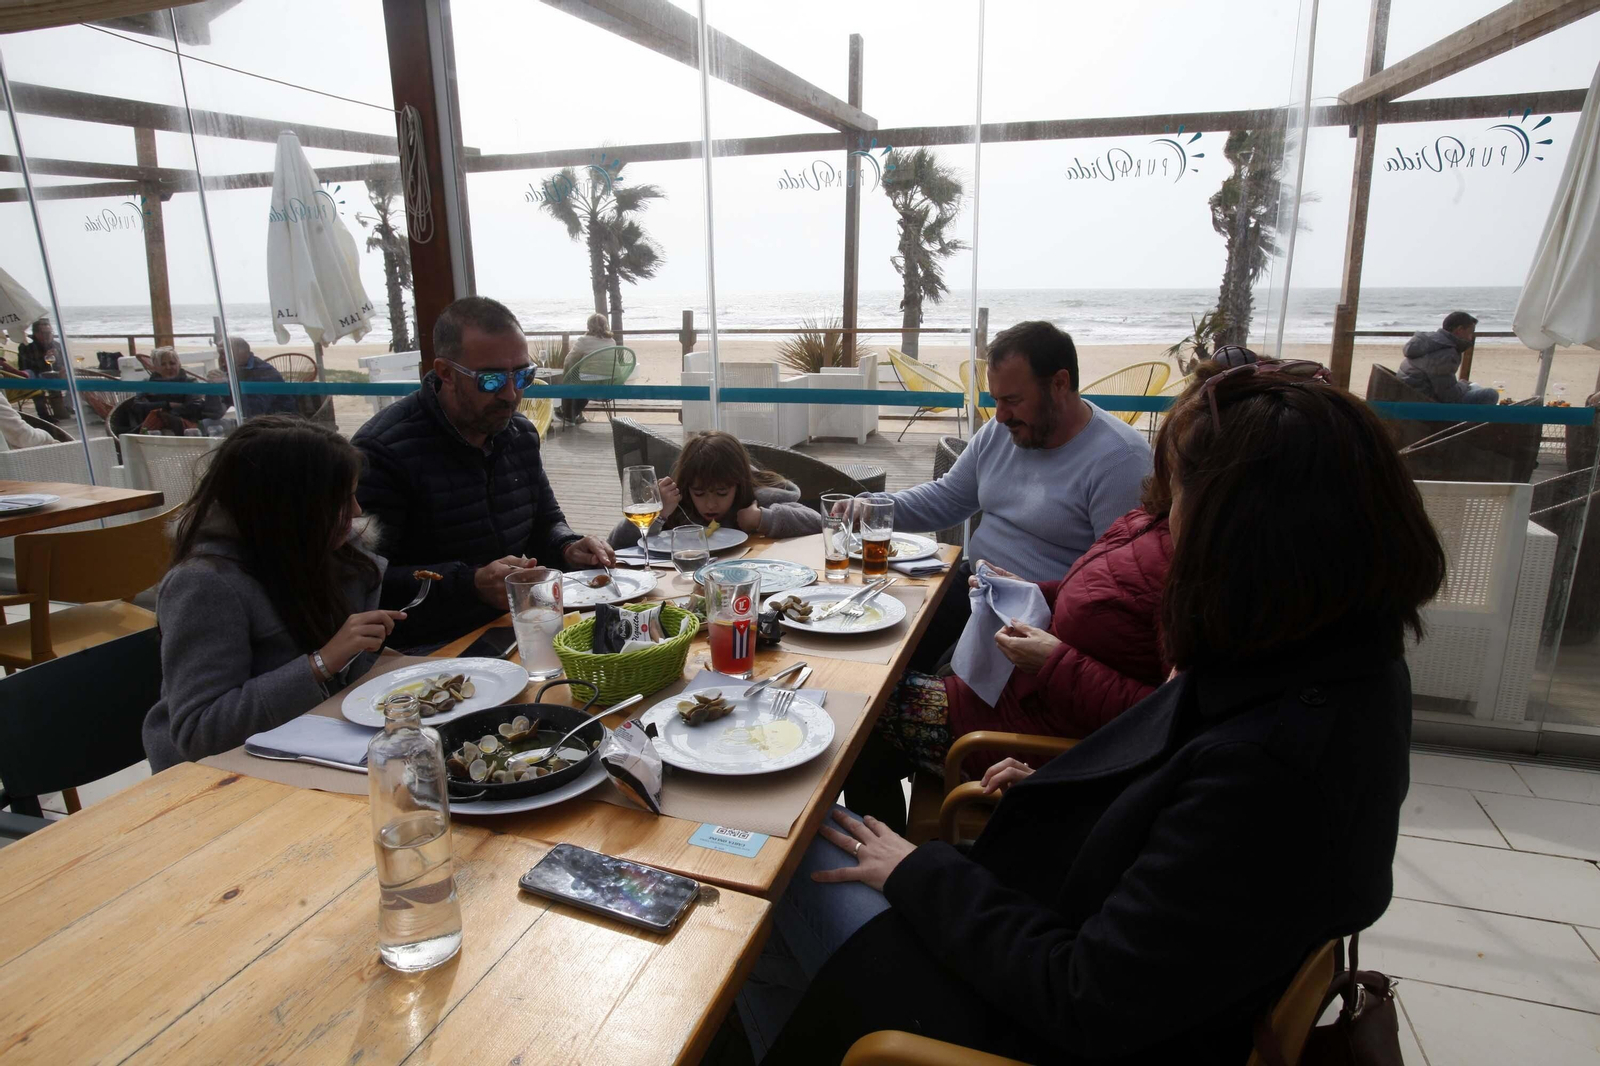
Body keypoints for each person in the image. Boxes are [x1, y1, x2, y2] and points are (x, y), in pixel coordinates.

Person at [738, 359, 1447, 1065]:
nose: (1168, 520)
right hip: (1044, 919)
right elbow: (1175, 810)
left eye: (1183, 500)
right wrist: (1070, 790)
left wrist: (916, 874)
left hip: (999, 1014)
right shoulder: (1331, 664)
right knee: (805, 839)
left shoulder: (1275, 769)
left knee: (775, 837)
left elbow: (1084, 996)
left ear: (1247, 535)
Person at [851, 320, 1151, 671]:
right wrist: (872, 509)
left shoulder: (1120, 461)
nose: (1000, 415)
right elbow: (947, 498)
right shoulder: (1000, 432)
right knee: (875, 648)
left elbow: (1113, 590)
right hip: (974, 586)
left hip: (1036, 617)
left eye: (1012, 400)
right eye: (996, 400)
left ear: (1059, 384)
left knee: (932, 683)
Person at [142, 417, 406, 772]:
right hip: (218, 781)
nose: (358, 511)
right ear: (288, 508)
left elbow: (347, 676)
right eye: (341, 499)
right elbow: (200, 733)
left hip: (313, 750)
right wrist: (321, 662)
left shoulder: (334, 556)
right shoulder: (206, 584)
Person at [354, 295, 615, 650]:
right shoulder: (383, 452)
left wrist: (568, 546)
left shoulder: (519, 434)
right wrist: (469, 583)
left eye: (523, 375)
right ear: (445, 372)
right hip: (429, 648)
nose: (511, 394)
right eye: (491, 381)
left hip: (517, 625)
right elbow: (363, 580)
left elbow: (545, 524)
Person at [607, 431, 822, 548]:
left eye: (721, 493)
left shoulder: (754, 499)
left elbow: (816, 521)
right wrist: (657, 513)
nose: (710, 504)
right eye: (699, 493)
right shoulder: (676, 505)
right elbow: (616, 543)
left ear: (738, 484)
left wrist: (761, 519)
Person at [1398, 310, 1496, 404]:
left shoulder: (1429, 343)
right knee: (1490, 394)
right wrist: (1464, 385)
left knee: (1474, 387)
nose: (1470, 338)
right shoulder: (1445, 353)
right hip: (1428, 406)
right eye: (1470, 332)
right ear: (1460, 330)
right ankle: (1470, 421)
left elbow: (1442, 385)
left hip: (1414, 398)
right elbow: (1449, 396)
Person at [129, 346, 225, 434]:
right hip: (155, 425)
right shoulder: (148, 383)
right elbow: (137, 406)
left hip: (185, 425)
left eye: (172, 363)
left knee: (158, 415)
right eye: (163, 364)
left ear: (179, 364)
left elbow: (194, 406)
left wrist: (168, 413)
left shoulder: (189, 382)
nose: (168, 367)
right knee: (156, 415)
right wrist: (167, 404)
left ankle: (134, 438)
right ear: (156, 367)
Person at [219, 336, 299, 419]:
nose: (220, 359)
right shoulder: (233, 369)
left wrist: (227, 384)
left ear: (241, 353)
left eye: (224, 354)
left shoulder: (266, 373)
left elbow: (255, 410)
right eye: (220, 354)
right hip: (254, 419)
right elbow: (214, 412)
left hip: (278, 421)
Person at [559, 313, 614, 424]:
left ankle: (567, 413)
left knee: (572, 381)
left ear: (588, 326)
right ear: (606, 326)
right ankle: (573, 414)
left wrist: (566, 375)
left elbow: (569, 361)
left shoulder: (583, 341)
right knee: (585, 380)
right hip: (609, 384)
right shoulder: (612, 341)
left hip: (589, 384)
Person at [17, 317, 68, 421]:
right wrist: (44, 358)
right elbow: (26, 367)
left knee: (73, 377)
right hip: (35, 375)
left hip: (55, 375)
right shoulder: (26, 347)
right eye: (44, 333)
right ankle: (44, 415)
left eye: (49, 332)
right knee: (38, 380)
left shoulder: (57, 345)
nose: (48, 335)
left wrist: (64, 368)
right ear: (36, 333)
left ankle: (67, 406)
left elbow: (63, 363)